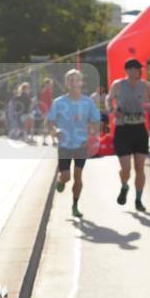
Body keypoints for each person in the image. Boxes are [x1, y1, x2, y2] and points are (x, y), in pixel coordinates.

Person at [107, 59, 150, 212]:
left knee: (140, 167)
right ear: (127, 70)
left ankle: (138, 199)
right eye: (132, 69)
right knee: (126, 168)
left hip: (139, 128)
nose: (136, 71)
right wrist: (112, 110)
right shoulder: (118, 85)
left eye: (138, 69)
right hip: (123, 129)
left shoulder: (146, 86)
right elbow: (108, 99)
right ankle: (124, 186)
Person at [46, 69, 101, 218]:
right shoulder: (59, 102)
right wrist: (54, 130)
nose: (73, 82)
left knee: (78, 176)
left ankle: (75, 205)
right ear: (66, 83)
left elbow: (96, 120)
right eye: (70, 80)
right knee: (66, 176)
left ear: (81, 82)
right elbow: (50, 121)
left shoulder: (88, 101)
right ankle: (61, 180)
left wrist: (94, 131)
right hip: (64, 145)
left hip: (81, 144)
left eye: (76, 79)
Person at [39, 78, 56, 145]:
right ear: (47, 84)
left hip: (47, 111)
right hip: (48, 111)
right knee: (50, 125)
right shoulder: (47, 91)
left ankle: (45, 140)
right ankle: (53, 141)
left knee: (47, 126)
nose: (51, 85)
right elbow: (47, 102)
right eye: (50, 84)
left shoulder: (46, 91)